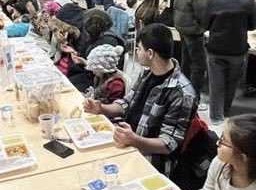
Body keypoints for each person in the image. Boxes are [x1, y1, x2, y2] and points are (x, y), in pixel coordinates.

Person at [85, 24, 198, 175]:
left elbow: (168, 144)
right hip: (128, 141)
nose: (136, 52)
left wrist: (134, 140)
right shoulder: (148, 73)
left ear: (150, 53)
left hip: (150, 160)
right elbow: (126, 103)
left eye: (138, 48)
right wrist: (102, 109)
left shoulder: (182, 93)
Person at [204, 0, 254, 124]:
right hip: (237, 48)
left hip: (216, 47)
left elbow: (205, 24)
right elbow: (253, 25)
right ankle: (226, 110)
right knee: (232, 82)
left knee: (216, 83)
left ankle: (216, 116)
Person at [173, 0, 212, 96]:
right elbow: (202, 11)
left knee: (186, 62)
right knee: (199, 65)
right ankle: (193, 96)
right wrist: (205, 26)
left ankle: (182, 91)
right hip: (193, 29)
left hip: (181, 25)